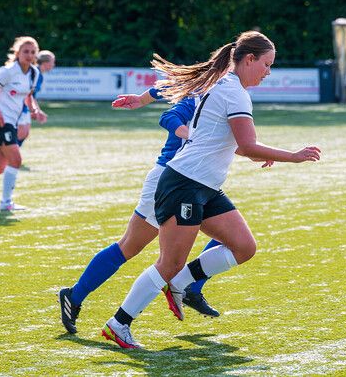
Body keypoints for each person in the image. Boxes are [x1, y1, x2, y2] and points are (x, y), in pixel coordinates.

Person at [102, 31, 321, 349]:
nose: (268, 72)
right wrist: (292, 156)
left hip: (204, 187)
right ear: (249, 59)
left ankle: (180, 283)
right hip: (184, 185)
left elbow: (237, 145)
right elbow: (247, 146)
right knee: (169, 262)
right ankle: (118, 324)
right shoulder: (234, 91)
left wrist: (264, 153)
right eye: (267, 65)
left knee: (244, 246)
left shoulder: (223, 83)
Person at [58, 89, 229, 335]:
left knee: (231, 237)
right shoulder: (200, 95)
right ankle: (76, 297)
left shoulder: (222, 95)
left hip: (196, 182)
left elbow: (169, 83)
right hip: (172, 180)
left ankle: (191, 286)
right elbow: (169, 118)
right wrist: (191, 136)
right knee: (129, 247)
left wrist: (143, 98)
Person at [0, 36, 44, 211]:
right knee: (16, 159)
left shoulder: (34, 73)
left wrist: (34, 110)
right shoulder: (8, 71)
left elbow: (27, 96)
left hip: (11, 122)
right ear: (17, 53)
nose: (29, 55)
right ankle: (6, 203)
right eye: (25, 51)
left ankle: (6, 203)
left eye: (33, 52)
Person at [17, 50, 55, 148]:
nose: (53, 64)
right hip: (19, 105)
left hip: (25, 105)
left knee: (25, 132)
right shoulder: (35, 73)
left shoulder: (39, 74)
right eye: (52, 62)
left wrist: (37, 110)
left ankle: (11, 156)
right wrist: (35, 110)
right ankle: (9, 156)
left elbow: (32, 96)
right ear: (46, 63)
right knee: (21, 132)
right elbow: (28, 94)